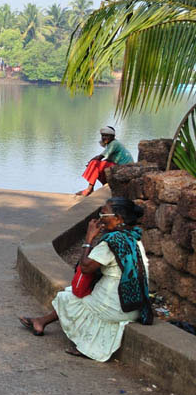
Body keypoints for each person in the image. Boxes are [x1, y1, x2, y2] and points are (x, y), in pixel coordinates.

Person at [18, 196, 151, 360]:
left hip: (116, 309)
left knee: (68, 296)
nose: (100, 219)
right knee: (74, 293)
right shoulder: (134, 237)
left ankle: (85, 346)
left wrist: (88, 239)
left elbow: (86, 268)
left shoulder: (112, 242)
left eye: (104, 214)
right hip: (134, 306)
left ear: (118, 219)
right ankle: (41, 321)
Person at [76, 126, 134, 197]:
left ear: (113, 136)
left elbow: (100, 157)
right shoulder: (111, 144)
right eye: (103, 135)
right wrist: (92, 164)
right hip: (118, 166)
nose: (104, 137)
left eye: (106, 135)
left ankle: (89, 190)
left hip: (123, 167)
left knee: (95, 164)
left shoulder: (114, 144)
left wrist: (91, 162)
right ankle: (95, 188)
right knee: (96, 166)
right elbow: (108, 159)